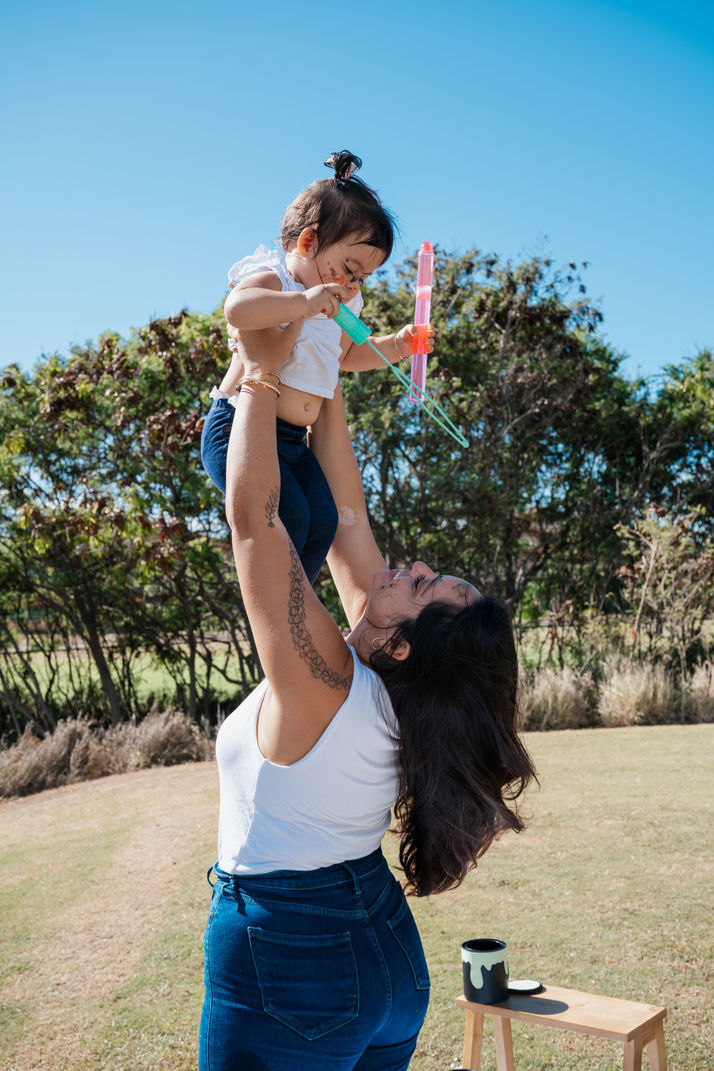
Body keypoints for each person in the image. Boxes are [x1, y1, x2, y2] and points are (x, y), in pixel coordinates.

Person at [198, 321, 537, 1071]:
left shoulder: (329, 680)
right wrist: (323, 355)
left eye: (423, 585)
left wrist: (260, 373)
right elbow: (347, 514)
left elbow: (255, 519)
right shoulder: (388, 684)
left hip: (294, 958)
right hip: (383, 957)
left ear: (408, 642)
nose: (411, 566)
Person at [200, 150, 433, 585]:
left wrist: (399, 346)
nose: (353, 285)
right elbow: (237, 309)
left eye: (362, 278)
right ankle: (279, 602)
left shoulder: (343, 305)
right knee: (291, 515)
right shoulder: (279, 279)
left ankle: (297, 600)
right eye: (348, 270)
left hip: (292, 440)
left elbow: (346, 357)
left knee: (322, 520)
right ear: (308, 243)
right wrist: (303, 303)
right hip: (239, 429)